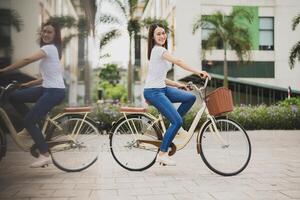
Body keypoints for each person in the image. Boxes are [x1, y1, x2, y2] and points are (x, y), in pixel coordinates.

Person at [0, 21, 65, 168]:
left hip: (54, 91)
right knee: (14, 96)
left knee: (29, 121)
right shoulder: (48, 50)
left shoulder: (49, 48)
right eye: (44, 31)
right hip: (46, 87)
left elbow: (26, 60)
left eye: (49, 32)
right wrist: (27, 85)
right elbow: (47, 77)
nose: (45, 34)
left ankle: (45, 155)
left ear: (55, 36)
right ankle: (30, 128)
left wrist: (4, 71)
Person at [144, 23, 211, 166]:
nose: (162, 36)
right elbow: (178, 61)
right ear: (153, 37)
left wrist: (179, 85)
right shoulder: (157, 50)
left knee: (190, 97)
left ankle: (175, 128)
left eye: (163, 33)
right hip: (153, 91)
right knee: (177, 121)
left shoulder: (162, 51)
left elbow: (161, 77)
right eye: (158, 34)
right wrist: (198, 72)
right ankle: (162, 153)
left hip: (162, 87)